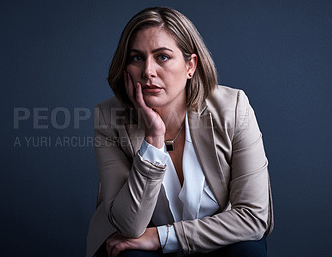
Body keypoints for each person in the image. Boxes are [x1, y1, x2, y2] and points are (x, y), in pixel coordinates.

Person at [86, 7, 273, 257]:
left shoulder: (233, 108)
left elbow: (254, 217)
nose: (148, 71)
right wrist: (152, 140)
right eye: (137, 58)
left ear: (190, 66)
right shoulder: (109, 118)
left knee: (249, 251)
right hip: (140, 244)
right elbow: (128, 226)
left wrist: (163, 237)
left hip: (214, 240)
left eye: (162, 56)